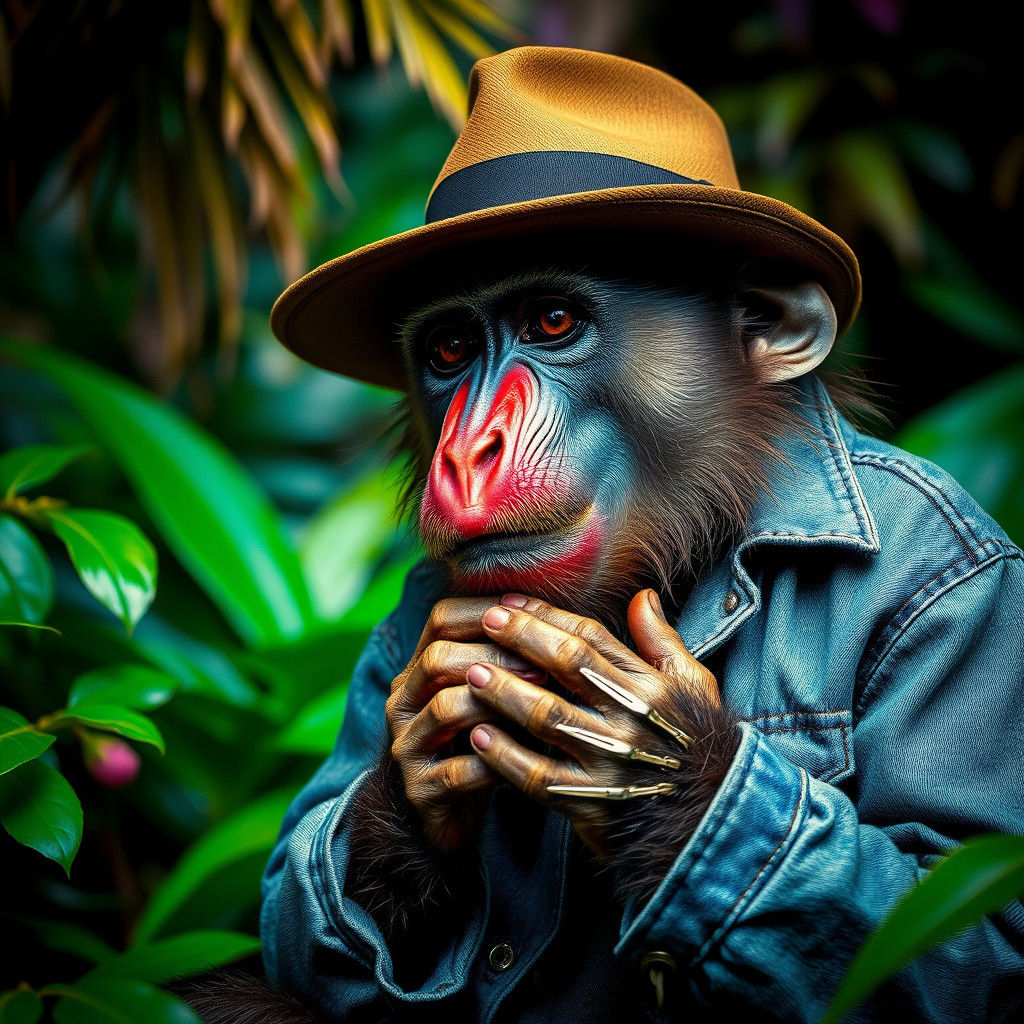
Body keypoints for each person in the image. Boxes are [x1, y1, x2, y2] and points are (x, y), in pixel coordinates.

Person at [258, 46, 1024, 1023]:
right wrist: (394, 834)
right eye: (451, 351)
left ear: (767, 327)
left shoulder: (921, 573)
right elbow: (292, 959)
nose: (471, 447)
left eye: (551, 321)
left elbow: (995, 979)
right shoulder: (433, 614)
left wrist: (695, 812)